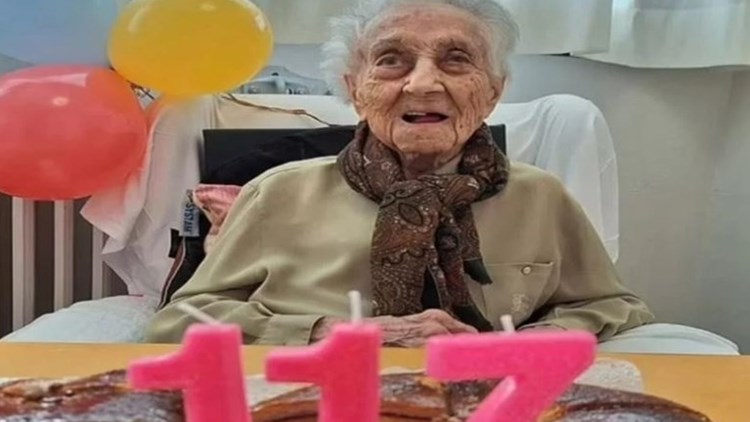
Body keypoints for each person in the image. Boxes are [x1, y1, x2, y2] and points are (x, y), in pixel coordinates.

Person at [146, 0, 654, 346]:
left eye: (456, 60)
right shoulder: (278, 192)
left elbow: (613, 306)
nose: (423, 83)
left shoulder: (540, 197)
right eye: (392, 61)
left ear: (494, 91)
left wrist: (536, 339)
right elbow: (182, 319)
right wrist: (326, 332)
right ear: (354, 88)